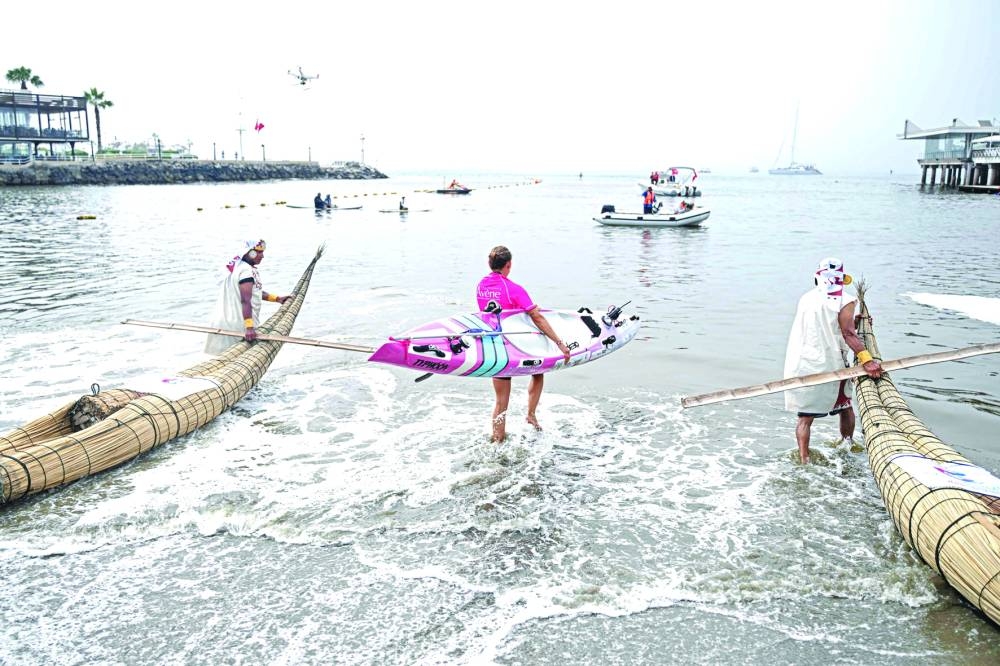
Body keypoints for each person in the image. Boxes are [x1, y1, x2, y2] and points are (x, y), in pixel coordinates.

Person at [783, 257, 883, 464]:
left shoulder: (807, 298)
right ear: (840, 280)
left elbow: (824, 325)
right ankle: (847, 445)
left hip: (803, 363)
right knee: (845, 407)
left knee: (805, 418)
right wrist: (868, 360)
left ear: (818, 278)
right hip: (830, 364)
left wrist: (853, 321)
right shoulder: (845, 300)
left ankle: (804, 460)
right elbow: (848, 334)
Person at [476, 245, 571, 442]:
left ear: (489, 264)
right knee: (538, 370)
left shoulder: (481, 286)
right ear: (509, 265)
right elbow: (537, 317)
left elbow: (496, 310)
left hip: (495, 347)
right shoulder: (514, 289)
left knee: (501, 402)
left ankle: (498, 438)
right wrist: (560, 343)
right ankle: (531, 414)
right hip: (517, 345)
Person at [204, 239, 292, 354]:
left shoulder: (237, 268)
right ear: (249, 252)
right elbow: (246, 300)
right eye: (259, 252)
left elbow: (255, 292)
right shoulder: (246, 271)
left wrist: (277, 298)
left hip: (224, 323)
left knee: (224, 362)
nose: (263, 256)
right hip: (236, 327)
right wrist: (249, 328)